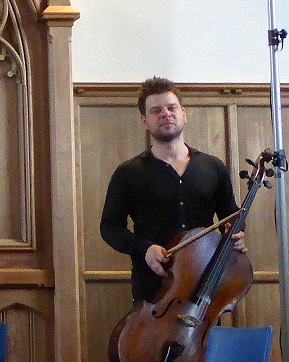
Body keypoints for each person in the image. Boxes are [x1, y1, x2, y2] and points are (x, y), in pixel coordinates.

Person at [100, 76, 246, 304]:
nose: (165, 114)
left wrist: (236, 233)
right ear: (144, 121)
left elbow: (231, 215)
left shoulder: (213, 166)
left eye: (171, 108)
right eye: (156, 110)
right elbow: (109, 228)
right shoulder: (128, 173)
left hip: (205, 283)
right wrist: (144, 249)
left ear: (183, 114)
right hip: (154, 288)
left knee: (205, 341)